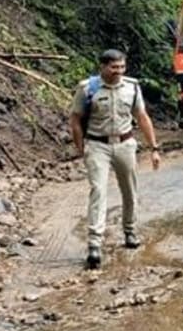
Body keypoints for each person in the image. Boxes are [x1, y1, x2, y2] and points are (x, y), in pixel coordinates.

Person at [68, 49, 161, 270]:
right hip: (97, 144)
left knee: (129, 189)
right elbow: (75, 119)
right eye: (114, 67)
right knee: (98, 190)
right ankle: (94, 243)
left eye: (121, 67)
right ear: (102, 66)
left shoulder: (132, 87)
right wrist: (82, 149)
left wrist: (154, 148)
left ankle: (129, 231)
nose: (118, 71)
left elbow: (142, 117)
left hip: (125, 143)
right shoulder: (87, 89)